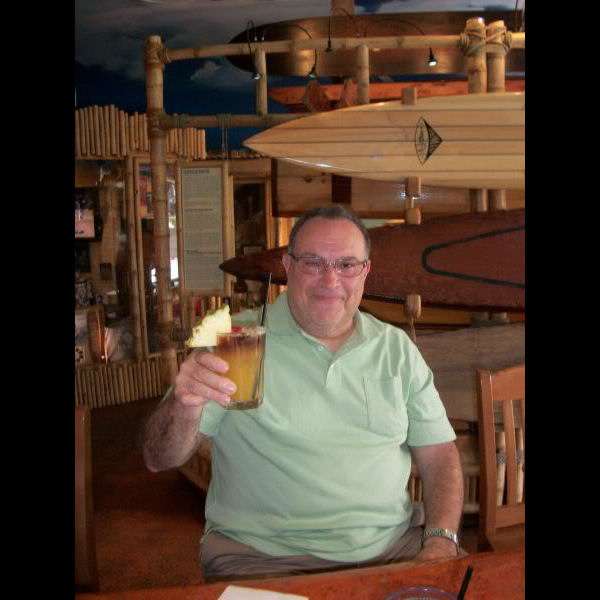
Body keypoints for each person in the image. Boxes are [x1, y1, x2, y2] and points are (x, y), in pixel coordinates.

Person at [142, 205, 464, 581]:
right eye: (313, 262)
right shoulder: (237, 342)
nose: (330, 280)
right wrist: (184, 405)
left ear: (365, 271)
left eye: (346, 265)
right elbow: (158, 458)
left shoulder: (396, 349)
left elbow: (440, 455)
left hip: (391, 549)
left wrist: (441, 540)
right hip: (262, 557)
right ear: (288, 266)